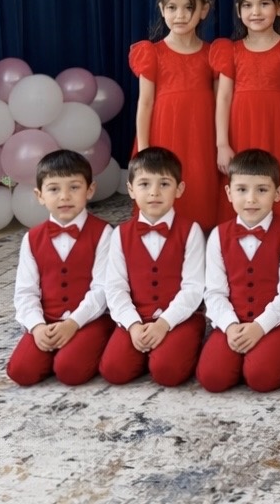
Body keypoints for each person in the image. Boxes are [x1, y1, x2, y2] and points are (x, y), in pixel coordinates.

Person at [99, 148, 206, 386]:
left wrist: (164, 323)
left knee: (168, 372)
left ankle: (177, 349)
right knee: (114, 370)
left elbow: (193, 287)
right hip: (136, 315)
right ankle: (143, 351)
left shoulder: (191, 231)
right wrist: (133, 325)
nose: (154, 192)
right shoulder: (119, 235)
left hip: (179, 317)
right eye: (144, 184)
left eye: (164, 184)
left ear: (179, 189)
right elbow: (115, 287)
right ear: (131, 189)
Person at [196, 149, 280, 393]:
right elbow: (214, 292)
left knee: (261, 378)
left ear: (278, 193)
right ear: (229, 193)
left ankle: (278, 352)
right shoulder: (218, 235)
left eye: (262, 190)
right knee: (212, 378)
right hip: (232, 319)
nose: (251, 199)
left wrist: (260, 327)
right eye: (242, 190)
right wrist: (230, 325)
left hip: (274, 322)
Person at [7, 150, 113, 386]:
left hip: (89, 319)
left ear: (90, 190)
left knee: (70, 371)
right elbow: (25, 291)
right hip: (47, 318)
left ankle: (96, 344)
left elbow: (103, 288)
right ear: (40, 195)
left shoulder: (104, 233)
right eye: (54, 189)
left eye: (74, 187)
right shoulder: (32, 238)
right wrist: (36, 327)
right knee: (21, 372)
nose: (64, 196)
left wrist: (73, 323)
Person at [130, 0, 218, 230]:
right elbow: (145, 103)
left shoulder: (213, 53)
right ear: (162, 9)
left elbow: (219, 102)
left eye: (188, 7)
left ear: (203, 10)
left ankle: (198, 235)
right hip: (163, 133)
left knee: (198, 180)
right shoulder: (151, 52)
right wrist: (144, 149)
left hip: (201, 136)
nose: (180, 15)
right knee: (163, 180)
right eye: (172, 7)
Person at [210, 0, 280, 223]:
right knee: (243, 177)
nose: (255, 12)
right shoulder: (231, 50)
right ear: (239, 11)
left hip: (279, 128)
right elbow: (223, 98)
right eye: (247, 5)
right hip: (241, 128)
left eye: (264, 3)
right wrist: (222, 144)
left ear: (279, 7)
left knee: (276, 175)